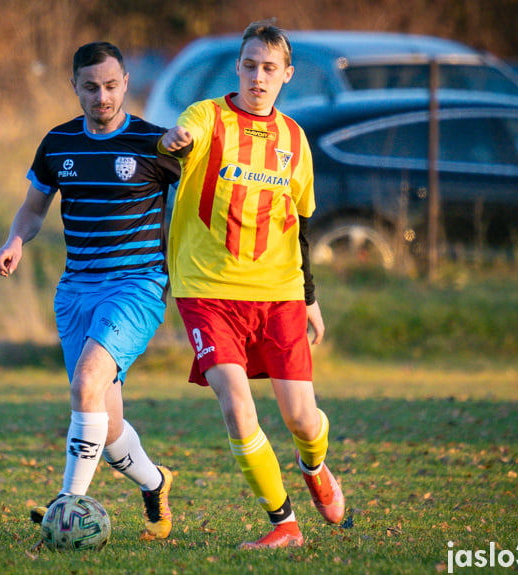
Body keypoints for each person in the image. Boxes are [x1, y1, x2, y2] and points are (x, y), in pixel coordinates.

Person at [159, 19, 344, 549]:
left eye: (269, 68)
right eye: (249, 66)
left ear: (286, 74)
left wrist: (309, 298)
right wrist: (175, 141)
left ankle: (316, 466)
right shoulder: (207, 117)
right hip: (207, 289)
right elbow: (176, 141)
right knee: (236, 405)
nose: (257, 77)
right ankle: (283, 524)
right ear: (237, 68)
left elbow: (301, 223)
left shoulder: (294, 138)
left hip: (279, 293)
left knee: (303, 420)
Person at [0, 41, 180, 544]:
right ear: (73, 86)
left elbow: (200, 200)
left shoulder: (155, 144)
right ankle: (157, 482)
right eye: (91, 86)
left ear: (126, 83)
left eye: (112, 85)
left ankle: (65, 506)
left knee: (85, 383)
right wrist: (16, 239)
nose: (103, 96)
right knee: (106, 418)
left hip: (137, 287)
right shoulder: (57, 144)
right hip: (76, 291)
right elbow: (33, 210)